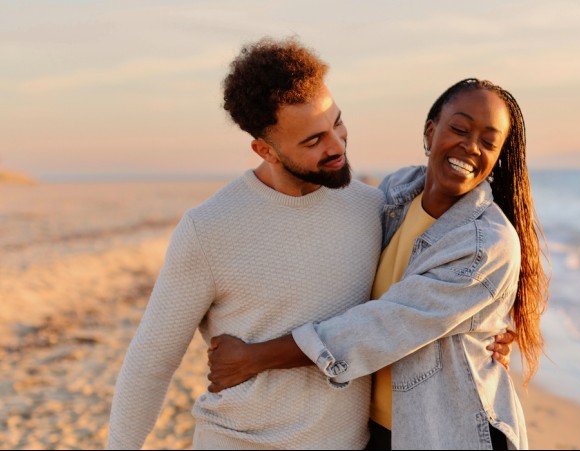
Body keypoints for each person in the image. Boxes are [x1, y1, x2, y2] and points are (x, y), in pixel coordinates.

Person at [106, 38, 512, 450]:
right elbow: (150, 362)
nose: (336, 146)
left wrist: (488, 334)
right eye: (313, 141)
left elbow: (405, 306)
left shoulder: (373, 208)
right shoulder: (208, 228)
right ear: (265, 150)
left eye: (337, 123)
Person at [207, 78, 550, 450]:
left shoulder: (486, 243)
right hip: (377, 430)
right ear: (430, 132)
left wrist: (253, 358)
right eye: (460, 128)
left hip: (447, 433)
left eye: (488, 141)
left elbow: (385, 324)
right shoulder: (396, 194)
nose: (470, 147)